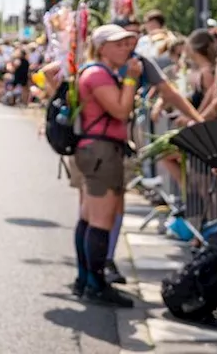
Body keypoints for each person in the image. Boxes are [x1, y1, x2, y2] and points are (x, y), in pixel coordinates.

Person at [72, 24, 141, 307]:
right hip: (101, 150)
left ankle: (85, 278)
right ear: (102, 48)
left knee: (89, 217)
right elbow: (120, 111)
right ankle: (96, 284)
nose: (126, 48)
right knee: (101, 220)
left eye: (128, 43)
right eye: (119, 44)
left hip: (96, 149)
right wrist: (131, 80)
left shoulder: (97, 71)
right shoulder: (98, 74)